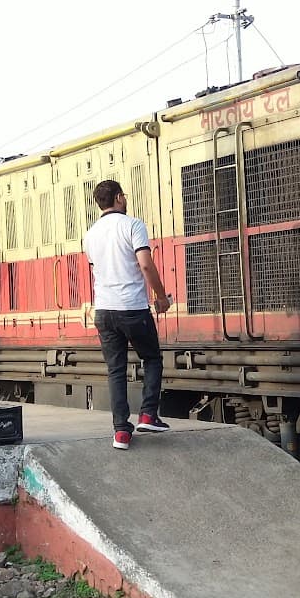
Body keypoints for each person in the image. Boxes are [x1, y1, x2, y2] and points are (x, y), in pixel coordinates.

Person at [81, 179, 172, 449]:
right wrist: (161, 297)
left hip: (104, 311)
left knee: (115, 371)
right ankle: (148, 414)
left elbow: (98, 268)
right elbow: (145, 265)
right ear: (119, 198)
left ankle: (121, 432)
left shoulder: (90, 234)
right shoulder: (133, 225)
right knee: (152, 358)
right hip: (132, 307)